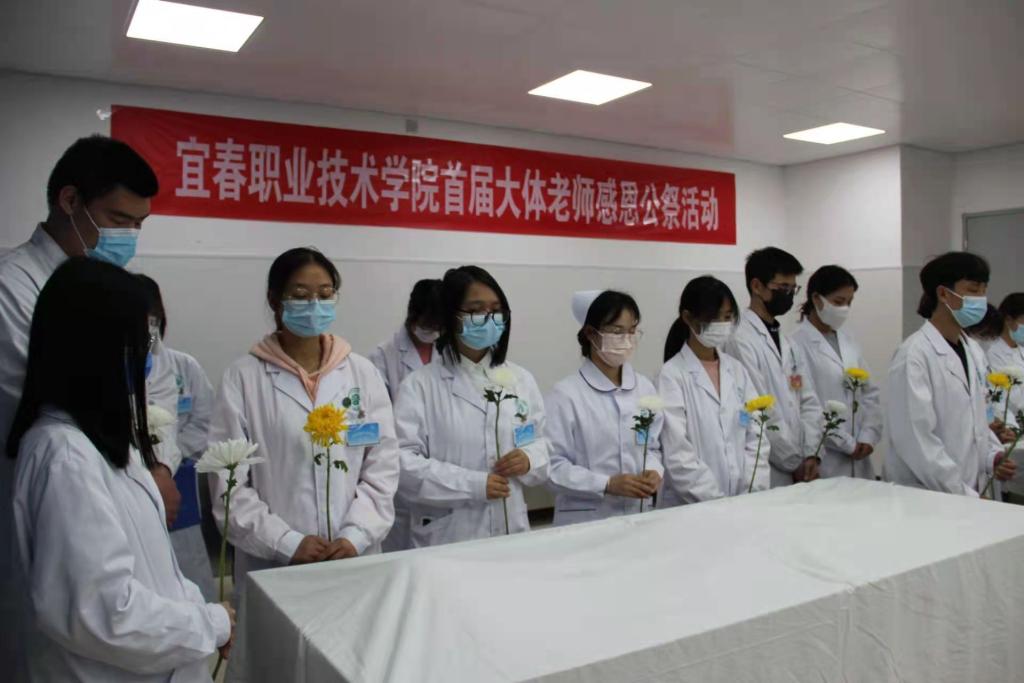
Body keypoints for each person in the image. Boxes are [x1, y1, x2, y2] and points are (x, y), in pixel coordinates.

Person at [8, 258, 233, 682]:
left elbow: (158, 573)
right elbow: (101, 613)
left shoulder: (103, 442)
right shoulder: (65, 458)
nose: (149, 357)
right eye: (139, 342)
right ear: (96, 348)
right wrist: (209, 624)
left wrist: (204, 615)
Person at [0, 135, 161, 680]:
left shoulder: (110, 288)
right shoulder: (12, 287)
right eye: (119, 219)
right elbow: (57, 396)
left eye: (139, 224)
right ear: (69, 201)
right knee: (79, 629)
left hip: (108, 472)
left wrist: (151, 460)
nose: (129, 236)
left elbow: (143, 385)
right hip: (62, 482)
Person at [208, 247, 400, 592]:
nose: (314, 305)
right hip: (275, 566)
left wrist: (356, 534)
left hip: (354, 556)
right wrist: (286, 542)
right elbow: (229, 484)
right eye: (300, 295)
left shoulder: (361, 373)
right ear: (274, 300)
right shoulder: (243, 379)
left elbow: (382, 466)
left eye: (324, 294)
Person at [394, 265, 550, 547]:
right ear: (450, 316)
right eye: (476, 310)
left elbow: (542, 442)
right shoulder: (419, 386)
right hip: (450, 537)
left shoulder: (520, 380)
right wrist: (472, 485)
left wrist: (529, 459)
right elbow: (403, 465)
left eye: (496, 310)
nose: (488, 318)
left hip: (512, 529)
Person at [887, 252, 1017, 495]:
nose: (981, 299)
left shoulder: (974, 351)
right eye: (973, 290)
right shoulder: (914, 355)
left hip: (969, 490)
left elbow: (978, 422)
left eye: (984, 291)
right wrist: (961, 491)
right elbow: (917, 441)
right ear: (943, 294)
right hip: (930, 493)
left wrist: (993, 457)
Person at [544, 290, 663, 525]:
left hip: (640, 514)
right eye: (617, 331)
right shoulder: (565, 395)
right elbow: (551, 467)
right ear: (591, 333)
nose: (626, 339)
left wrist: (653, 471)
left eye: (631, 331)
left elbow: (652, 447)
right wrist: (606, 484)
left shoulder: (644, 388)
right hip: (587, 519)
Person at [138, 274, 217, 600]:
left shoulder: (184, 366)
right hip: (136, 478)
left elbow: (205, 422)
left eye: (154, 318)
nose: (149, 325)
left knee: (189, 569)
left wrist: (168, 456)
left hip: (178, 477)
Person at [658, 276, 769, 503]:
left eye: (727, 317)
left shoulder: (736, 370)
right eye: (713, 318)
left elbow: (756, 435)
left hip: (744, 501)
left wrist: (752, 490)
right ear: (688, 318)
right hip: (694, 505)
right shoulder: (671, 375)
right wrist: (716, 501)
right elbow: (678, 453)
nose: (721, 324)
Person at [724, 247, 823, 487]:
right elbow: (758, 407)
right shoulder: (739, 339)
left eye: (793, 289)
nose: (789, 295)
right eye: (783, 288)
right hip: (768, 464)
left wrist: (811, 453)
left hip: (801, 462)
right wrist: (793, 461)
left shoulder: (788, 343)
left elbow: (808, 400)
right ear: (757, 286)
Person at [369, 278, 442, 551]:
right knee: (401, 548)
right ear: (413, 315)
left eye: (439, 325)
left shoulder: (447, 351)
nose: (433, 331)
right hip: (401, 466)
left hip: (441, 460)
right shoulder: (382, 357)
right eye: (428, 323)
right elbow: (378, 419)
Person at [789, 266, 882, 479]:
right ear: (816, 299)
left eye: (849, 302)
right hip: (826, 456)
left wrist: (868, 436)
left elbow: (870, 393)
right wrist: (847, 443)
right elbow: (806, 405)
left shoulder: (849, 342)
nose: (844, 309)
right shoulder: (796, 345)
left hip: (860, 457)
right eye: (838, 302)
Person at [987, 294, 1024, 420]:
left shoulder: (1021, 350)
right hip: (1011, 419)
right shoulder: (992, 353)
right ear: (1008, 319)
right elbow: (1010, 397)